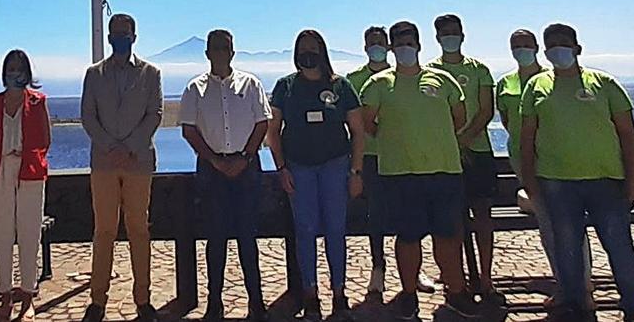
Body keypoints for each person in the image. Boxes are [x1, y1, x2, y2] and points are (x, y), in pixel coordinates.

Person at [520, 24, 634, 322]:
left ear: (578, 48)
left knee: (619, 246)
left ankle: (632, 308)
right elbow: (527, 139)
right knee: (568, 249)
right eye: (551, 44)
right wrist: (530, 182)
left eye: (564, 43)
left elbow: (628, 134)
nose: (557, 49)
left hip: (607, 181)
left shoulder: (605, 83)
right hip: (557, 183)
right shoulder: (535, 87)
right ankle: (577, 307)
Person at [360, 21, 479, 320]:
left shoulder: (443, 80)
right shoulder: (377, 84)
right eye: (398, 42)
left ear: (419, 45)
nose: (404, 47)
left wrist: (434, 137)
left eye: (409, 41)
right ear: (390, 47)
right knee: (408, 237)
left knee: (448, 236)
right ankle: (408, 294)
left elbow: (459, 116)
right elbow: (368, 124)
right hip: (400, 173)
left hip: (444, 171)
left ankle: (456, 292)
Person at [266, 29, 365, 322]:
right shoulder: (285, 87)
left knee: (336, 230)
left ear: (323, 52)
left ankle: (339, 292)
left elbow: (358, 132)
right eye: (303, 50)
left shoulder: (341, 87)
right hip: (299, 168)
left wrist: (356, 171)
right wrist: (282, 168)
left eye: (313, 49)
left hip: (335, 166)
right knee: (305, 230)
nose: (308, 55)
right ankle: (310, 294)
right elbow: (273, 132)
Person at [495, 29, 593, 312]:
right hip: (524, 162)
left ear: (537, 47)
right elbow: (508, 121)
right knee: (549, 226)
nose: (521, 49)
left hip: (557, 161)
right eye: (516, 45)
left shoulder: (551, 82)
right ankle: (565, 284)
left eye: (526, 44)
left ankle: (582, 285)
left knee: (571, 225)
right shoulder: (506, 84)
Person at [179, 30, 270, 322]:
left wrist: (244, 158)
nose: (220, 52)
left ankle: (256, 302)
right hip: (211, 172)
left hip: (247, 170)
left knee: (247, 237)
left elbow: (262, 124)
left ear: (233, 51)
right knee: (215, 240)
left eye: (225, 47)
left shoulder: (251, 84)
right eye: (215, 48)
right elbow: (189, 130)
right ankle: (213, 303)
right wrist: (214, 160)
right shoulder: (195, 88)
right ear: (207, 53)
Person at [80, 13, 164, 322]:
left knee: (138, 229)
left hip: (138, 162)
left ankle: (143, 298)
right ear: (110, 38)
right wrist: (110, 147)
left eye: (125, 34)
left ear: (134, 36)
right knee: (103, 230)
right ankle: (97, 300)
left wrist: (129, 147)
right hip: (103, 163)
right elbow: (88, 115)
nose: (120, 38)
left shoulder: (150, 73)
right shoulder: (94, 74)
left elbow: (154, 113)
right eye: (115, 34)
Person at [427, 13, 502, 305]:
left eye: (454, 32)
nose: (450, 37)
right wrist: (452, 142)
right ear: (437, 38)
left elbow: (486, 110)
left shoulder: (480, 70)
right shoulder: (430, 71)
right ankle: (453, 277)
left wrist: (466, 138)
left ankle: (485, 276)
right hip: (444, 157)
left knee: (482, 216)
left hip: (479, 153)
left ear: (463, 34)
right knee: (449, 220)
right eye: (444, 33)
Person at [0, 50, 52, 322]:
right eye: (11, 68)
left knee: (29, 232)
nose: (16, 73)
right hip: (0, 170)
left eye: (20, 69)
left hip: (30, 171)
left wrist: (31, 158)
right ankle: (5, 296)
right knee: (0, 232)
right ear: (4, 72)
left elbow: (46, 138)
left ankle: (27, 297)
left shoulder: (38, 102)